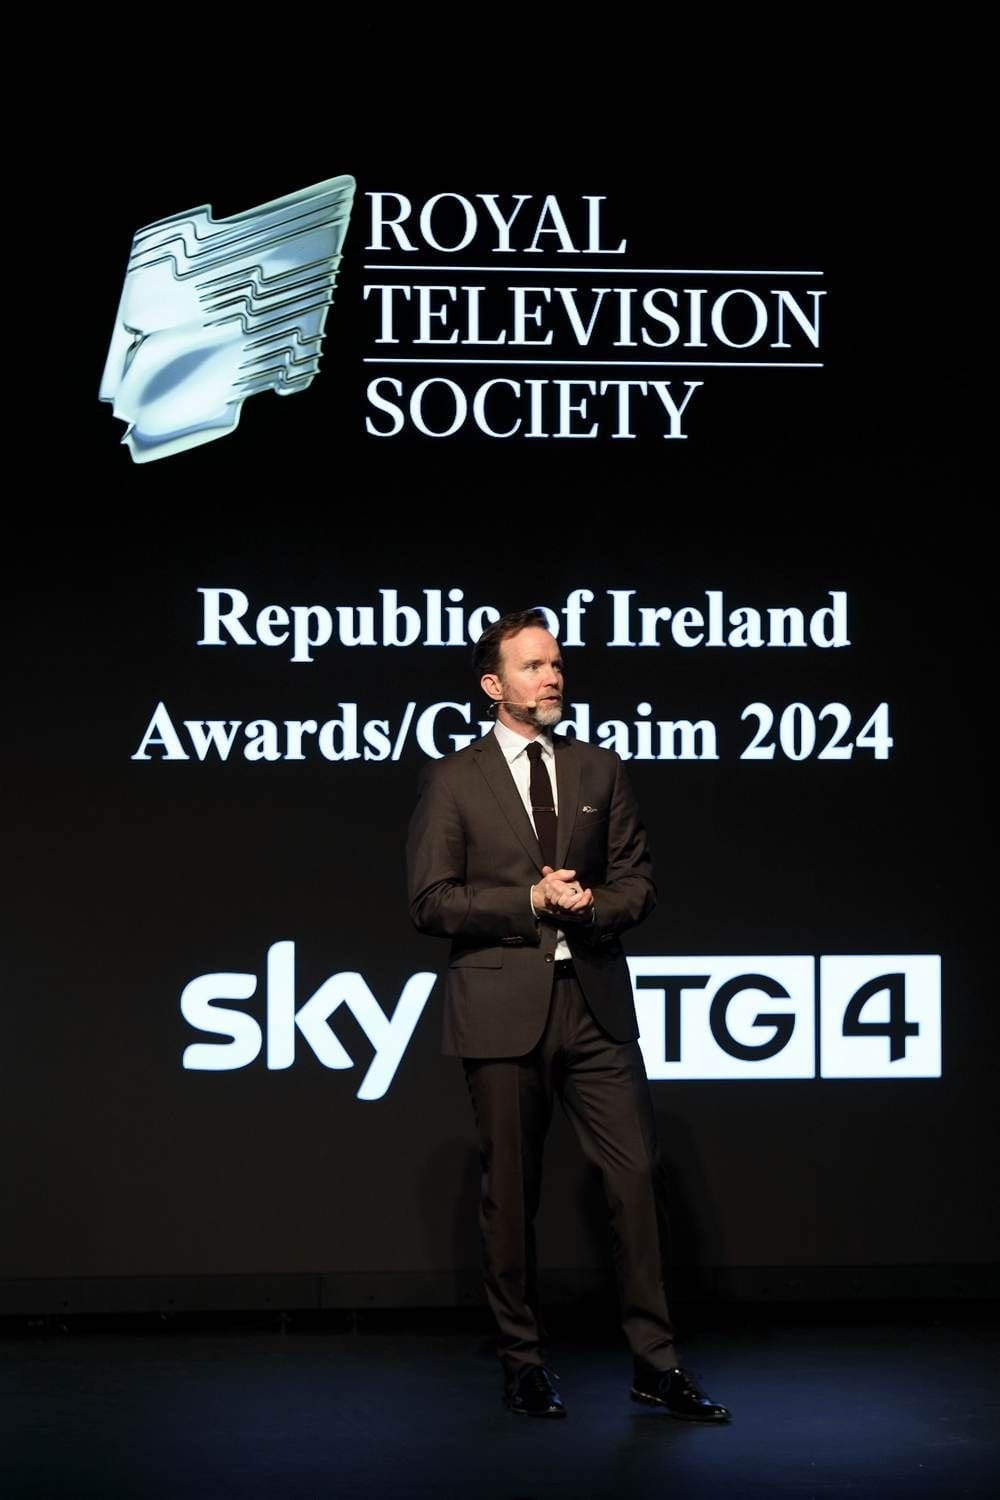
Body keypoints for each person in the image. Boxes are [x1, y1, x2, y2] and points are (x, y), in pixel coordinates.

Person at [406, 608, 730, 1422]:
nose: (552, 677)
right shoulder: (454, 779)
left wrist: (591, 906)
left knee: (635, 1180)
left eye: (556, 663)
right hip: (501, 1006)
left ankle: (655, 1364)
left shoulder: (599, 770)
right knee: (512, 1196)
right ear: (493, 686)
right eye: (532, 666)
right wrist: (528, 899)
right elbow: (430, 901)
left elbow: (639, 883)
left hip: (593, 1005)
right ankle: (523, 1362)